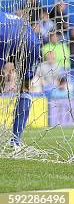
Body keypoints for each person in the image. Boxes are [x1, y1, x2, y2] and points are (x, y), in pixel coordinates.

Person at [0, 11, 41, 148]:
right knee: (25, 88)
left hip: (2, 36)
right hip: (32, 42)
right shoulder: (14, 18)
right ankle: (15, 141)